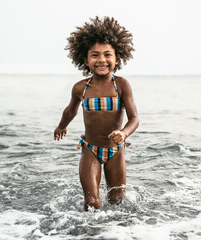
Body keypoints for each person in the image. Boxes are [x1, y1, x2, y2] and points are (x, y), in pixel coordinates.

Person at [53, 16, 139, 211]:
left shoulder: (122, 85)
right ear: (85, 60)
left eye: (108, 55)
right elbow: (70, 110)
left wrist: (124, 133)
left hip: (116, 151)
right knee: (92, 203)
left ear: (117, 58)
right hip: (90, 149)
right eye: (95, 55)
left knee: (118, 200)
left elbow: (134, 118)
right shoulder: (80, 88)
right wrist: (61, 126)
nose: (101, 60)